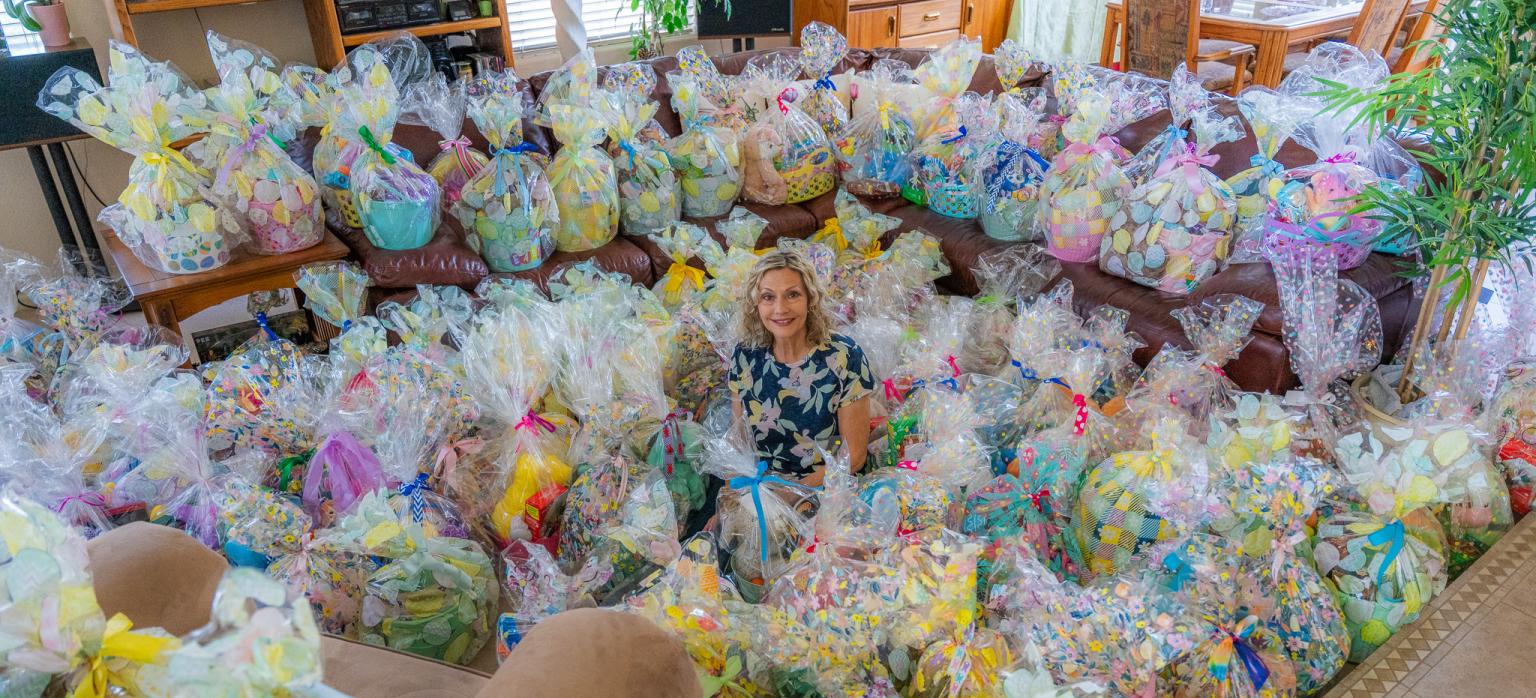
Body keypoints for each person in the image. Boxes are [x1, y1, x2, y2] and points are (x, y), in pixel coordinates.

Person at [729, 249, 874, 486]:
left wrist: (791, 493)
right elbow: (739, 444)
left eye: (793, 294)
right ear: (756, 304)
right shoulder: (745, 356)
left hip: (829, 485)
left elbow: (854, 458)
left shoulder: (844, 356)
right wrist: (736, 494)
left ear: (810, 299)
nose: (780, 309)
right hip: (763, 484)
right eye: (768, 297)